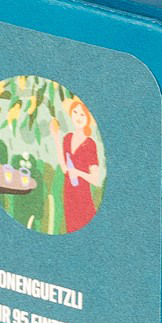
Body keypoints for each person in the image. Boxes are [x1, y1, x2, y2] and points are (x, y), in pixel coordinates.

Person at [60, 99, 101, 233]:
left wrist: (78, 172)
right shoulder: (67, 138)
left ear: (87, 118)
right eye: (75, 112)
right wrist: (55, 137)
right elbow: (64, 168)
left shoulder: (90, 144)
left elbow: (95, 179)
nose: (78, 117)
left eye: (82, 114)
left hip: (83, 195)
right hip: (68, 194)